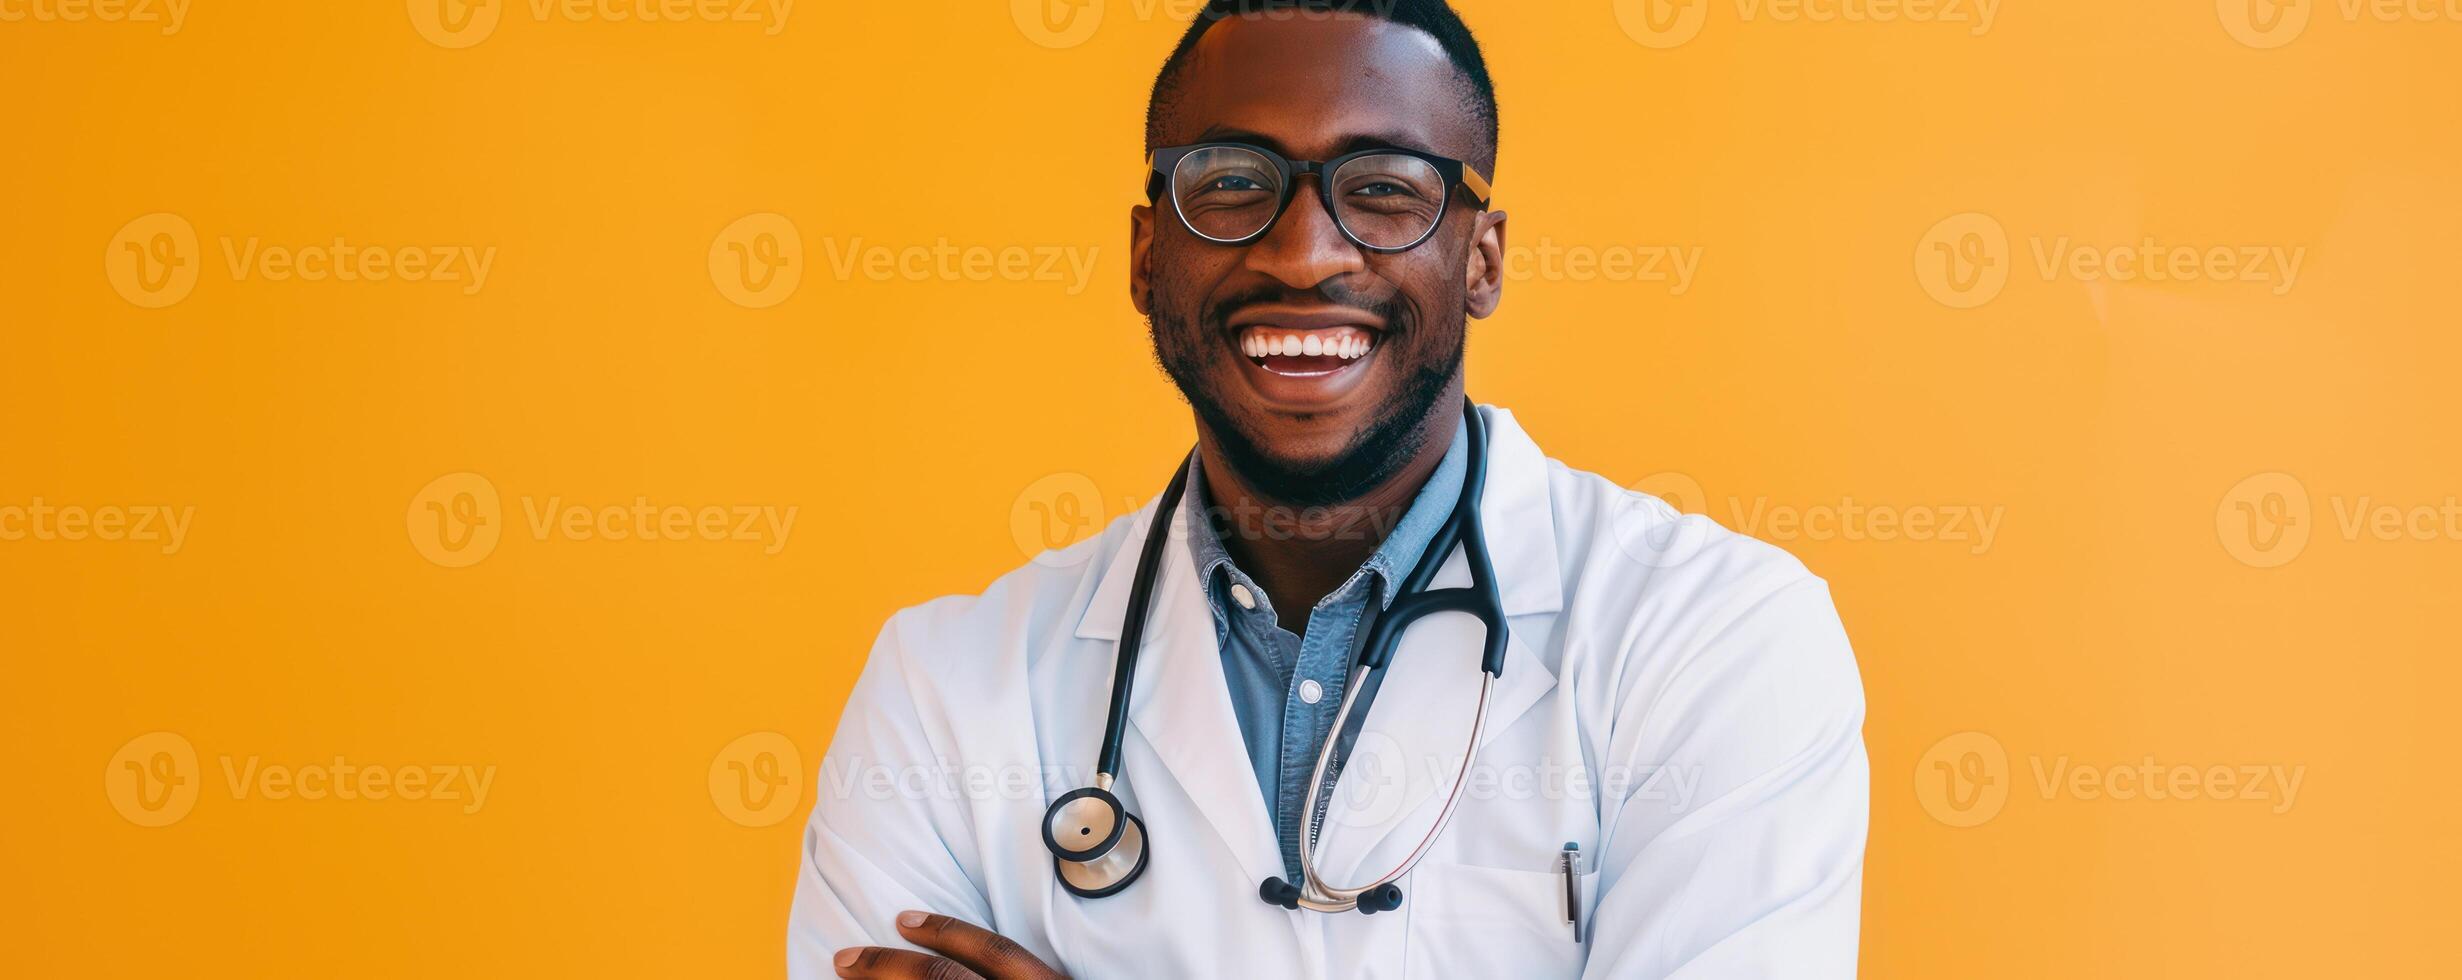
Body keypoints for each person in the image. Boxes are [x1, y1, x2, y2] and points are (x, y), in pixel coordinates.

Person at [790, 3, 1868, 977]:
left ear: (1482, 259)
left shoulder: (1712, 638)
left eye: (1384, 189)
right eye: (1229, 184)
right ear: (1143, 253)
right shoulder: (943, 691)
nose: (1303, 254)